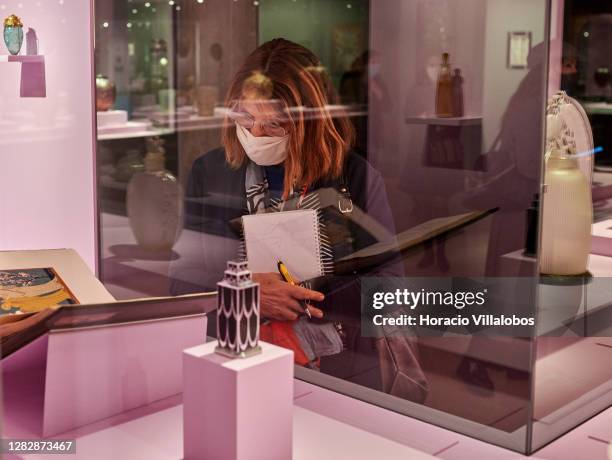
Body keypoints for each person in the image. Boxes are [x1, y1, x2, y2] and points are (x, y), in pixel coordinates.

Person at [170, 38, 427, 401]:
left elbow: (388, 288)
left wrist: (299, 296)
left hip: (339, 369)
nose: (256, 134)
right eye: (246, 117)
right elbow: (181, 284)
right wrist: (247, 294)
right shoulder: (210, 171)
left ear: (309, 121)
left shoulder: (353, 177)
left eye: (275, 124)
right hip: (233, 358)